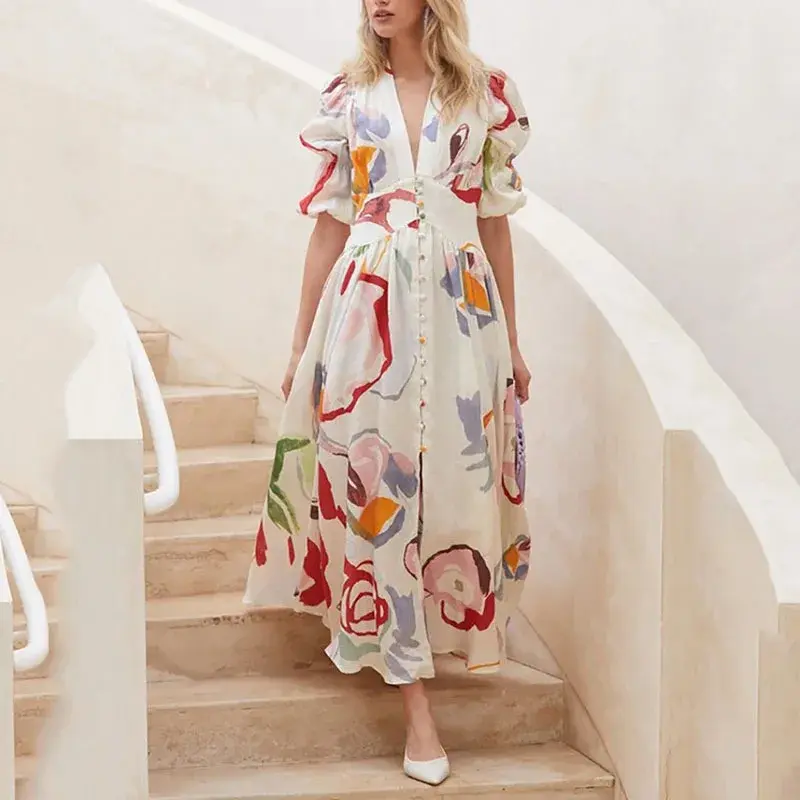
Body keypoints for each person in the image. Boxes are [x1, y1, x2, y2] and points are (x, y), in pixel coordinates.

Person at [245, 0, 531, 786]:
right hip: (365, 318)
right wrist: (299, 344)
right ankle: (415, 706)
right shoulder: (348, 97)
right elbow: (329, 228)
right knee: (381, 492)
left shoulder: (484, 95)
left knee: (458, 490)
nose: (378, 1)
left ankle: (438, 636)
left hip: (462, 315)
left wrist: (512, 341)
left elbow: (494, 226)